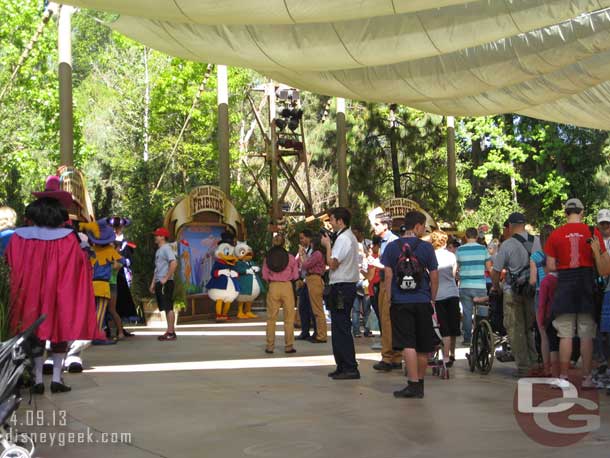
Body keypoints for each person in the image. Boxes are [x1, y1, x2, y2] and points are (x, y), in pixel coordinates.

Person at [5, 176, 100, 394]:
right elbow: (80, 266)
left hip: (28, 294)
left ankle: (38, 380)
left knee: (35, 333)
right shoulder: (68, 238)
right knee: (61, 332)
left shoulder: (19, 237)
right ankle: (56, 378)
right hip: (59, 293)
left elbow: (10, 264)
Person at [545, 199, 610, 388]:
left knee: (565, 334)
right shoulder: (592, 232)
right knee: (586, 334)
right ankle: (587, 378)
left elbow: (550, 267)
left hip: (564, 285)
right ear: (582, 212)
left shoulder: (555, 234)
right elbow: (604, 263)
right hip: (586, 284)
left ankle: (564, 377)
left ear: (566, 213)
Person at [382, 210, 438, 398]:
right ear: (417, 226)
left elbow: (388, 275)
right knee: (423, 345)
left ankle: (412, 383)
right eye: (423, 226)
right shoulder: (426, 248)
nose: (424, 230)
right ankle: (420, 383)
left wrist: (389, 297)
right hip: (422, 300)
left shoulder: (391, 247)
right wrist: (432, 297)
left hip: (400, 301)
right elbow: (435, 275)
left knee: (408, 343)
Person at [491, 212, 541, 377]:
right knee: (529, 328)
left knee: (515, 328)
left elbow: (496, 270)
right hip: (533, 291)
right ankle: (534, 362)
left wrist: (496, 287)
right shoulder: (537, 241)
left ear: (511, 226)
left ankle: (524, 367)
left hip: (512, 292)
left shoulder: (507, 245)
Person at [321, 207, 361, 380]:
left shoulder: (344, 238)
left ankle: (350, 366)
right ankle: (342, 365)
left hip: (342, 287)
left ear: (340, 221)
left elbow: (333, 263)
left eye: (331, 219)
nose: (330, 223)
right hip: (342, 285)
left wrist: (327, 245)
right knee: (338, 326)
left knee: (342, 326)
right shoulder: (345, 237)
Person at [371, 212, 401, 372]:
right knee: (388, 320)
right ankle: (395, 356)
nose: (373, 227)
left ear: (385, 225)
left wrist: (378, 264)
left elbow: (395, 265)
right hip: (385, 282)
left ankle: (388, 357)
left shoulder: (392, 241)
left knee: (387, 320)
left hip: (390, 283)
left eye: (376, 224)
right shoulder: (385, 241)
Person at [262, 234, 299, 354]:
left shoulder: (268, 258)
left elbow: (265, 275)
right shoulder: (290, 258)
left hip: (273, 286)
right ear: (284, 243)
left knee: (271, 318)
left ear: (273, 243)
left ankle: (270, 346)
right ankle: (288, 346)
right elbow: (295, 276)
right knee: (288, 319)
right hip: (287, 286)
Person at [456, 227, 491, 345]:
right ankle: (481, 337)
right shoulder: (483, 249)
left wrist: (459, 275)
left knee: (467, 312)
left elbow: (456, 269)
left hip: (465, 286)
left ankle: (467, 339)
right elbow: (489, 268)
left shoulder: (460, 250)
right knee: (482, 311)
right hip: (480, 285)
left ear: (465, 237)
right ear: (476, 237)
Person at [430, 230, 460, 366]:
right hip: (452, 293)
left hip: (438, 295)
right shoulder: (451, 256)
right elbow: (453, 275)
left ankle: (445, 356)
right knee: (453, 326)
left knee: (442, 328)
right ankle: (451, 354)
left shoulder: (431, 256)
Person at [149, 227, 178, 341]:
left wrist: (166, 278)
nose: (155, 237)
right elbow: (157, 269)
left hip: (166, 282)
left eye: (157, 235)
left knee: (168, 306)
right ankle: (169, 331)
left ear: (162, 237)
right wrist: (153, 283)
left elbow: (174, 263)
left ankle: (171, 332)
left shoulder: (166, 248)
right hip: (159, 282)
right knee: (166, 307)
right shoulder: (159, 250)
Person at [299, 234, 327, 343]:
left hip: (314, 279)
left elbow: (306, 265)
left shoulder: (317, 254)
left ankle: (321, 335)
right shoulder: (318, 254)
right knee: (315, 308)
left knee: (317, 309)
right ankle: (319, 334)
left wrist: (302, 255)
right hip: (312, 279)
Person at [295, 229, 316, 340]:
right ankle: (305, 330)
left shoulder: (313, 251)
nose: (301, 240)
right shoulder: (302, 250)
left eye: (302, 238)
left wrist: (303, 255)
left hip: (311, 280)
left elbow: (307, 264)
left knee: (313, 308)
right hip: (303, 281)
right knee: (303, 307)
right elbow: (297, 263)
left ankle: (316, 332)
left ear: (309, 238)